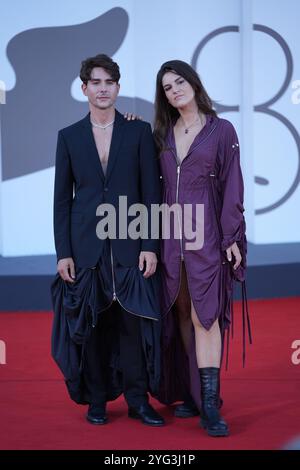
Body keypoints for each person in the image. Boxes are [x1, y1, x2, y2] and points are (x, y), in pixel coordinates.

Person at [51, 54, 164, 427]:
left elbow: (151, 194)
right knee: (95, 327)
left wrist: (150, 244)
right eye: (95, 83)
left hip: (132, 245)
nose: (103, 89)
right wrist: (63, 253)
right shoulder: (68, 136)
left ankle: (138, 400)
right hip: (86, 249)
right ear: (84, 88)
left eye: (109, 82)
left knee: (133, 327)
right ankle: (97, 401)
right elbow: (62, 202)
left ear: (118, 87)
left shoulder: (138, 131)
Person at [153, 60, 249, 437]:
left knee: (205, 317)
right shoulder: (162, 133)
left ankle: (210, 405)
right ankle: (192, 392)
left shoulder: (221, 130)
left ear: (193, 83)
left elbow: (232, 188)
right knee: (180, 317)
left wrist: (231, 238)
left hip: (207, 236)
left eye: (179, 82)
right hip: (169, 238)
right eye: (166, 87)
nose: (174, 90)